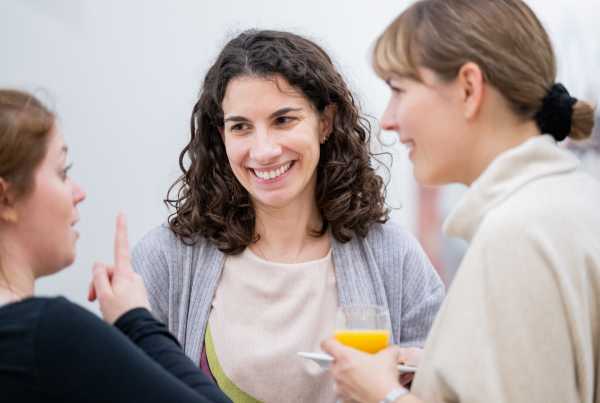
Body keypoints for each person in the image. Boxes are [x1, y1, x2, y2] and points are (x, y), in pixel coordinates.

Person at [133, 29, 444, 403]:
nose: (263, 150)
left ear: (325, 122)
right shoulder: (166, 259)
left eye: (283, 120)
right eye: (241, 127)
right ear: (222, 135)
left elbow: (449, 385)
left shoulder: (393, 255)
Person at [321, 0, 600, 402]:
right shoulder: (571, 201)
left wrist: (382, 394)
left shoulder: (518, 235)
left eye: (399, 90)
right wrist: (438, 367)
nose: (387, 118)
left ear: (469, 88)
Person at [0, 89, 231, 403]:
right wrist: (136, 319)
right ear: (6, 198)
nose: (78, 192)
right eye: (62, 172)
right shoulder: (46, 335)